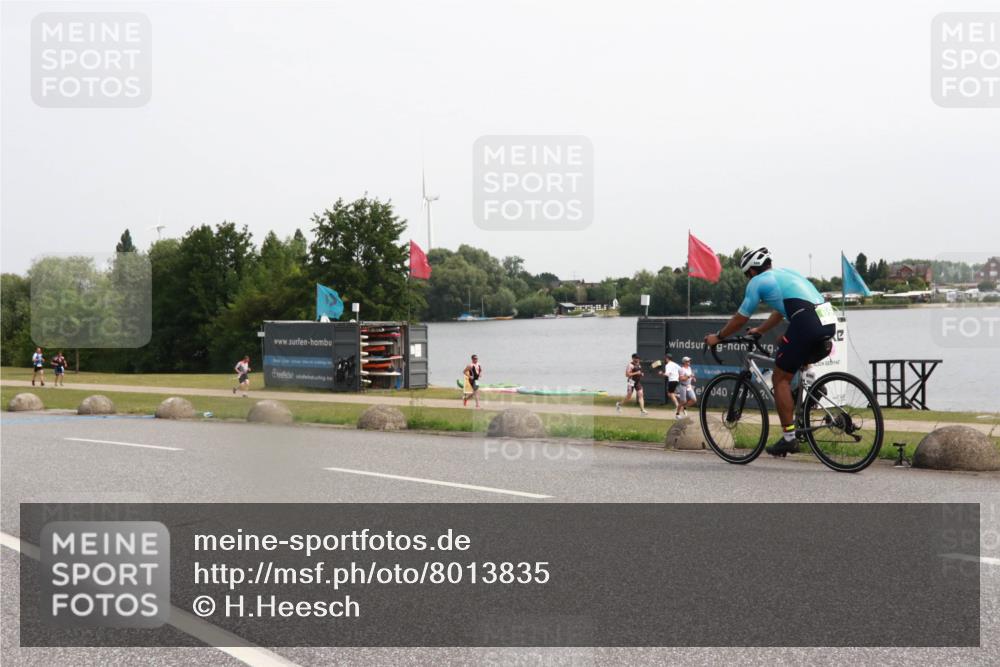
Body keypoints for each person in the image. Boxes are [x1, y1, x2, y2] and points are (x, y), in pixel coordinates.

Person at [704, 247, 836, 457]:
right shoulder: (785, 273)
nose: (748, 279)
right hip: (827, 320)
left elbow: (740, 317)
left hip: (807, 321)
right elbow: (779, 311)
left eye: (746, 275)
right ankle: (811, 391)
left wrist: (718, 337)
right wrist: (760, 330)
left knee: (779, 378)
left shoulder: (757, 282)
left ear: (751, 272)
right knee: (786, 345)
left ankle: (789, 439)